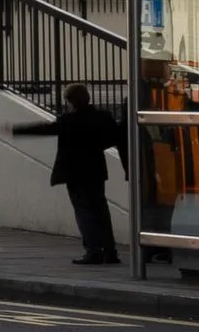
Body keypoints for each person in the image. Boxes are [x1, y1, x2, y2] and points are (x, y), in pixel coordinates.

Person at [12, 84, 126, 265]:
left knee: (84, 212)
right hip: (96, 170)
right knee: (101, 211)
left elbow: (45, 129)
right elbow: (114, 138)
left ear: (70, 101)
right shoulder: (103, 117)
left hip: (75, 173)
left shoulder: (69, 120)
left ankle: (93, 251)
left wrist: (17, 130)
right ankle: (110, 251)